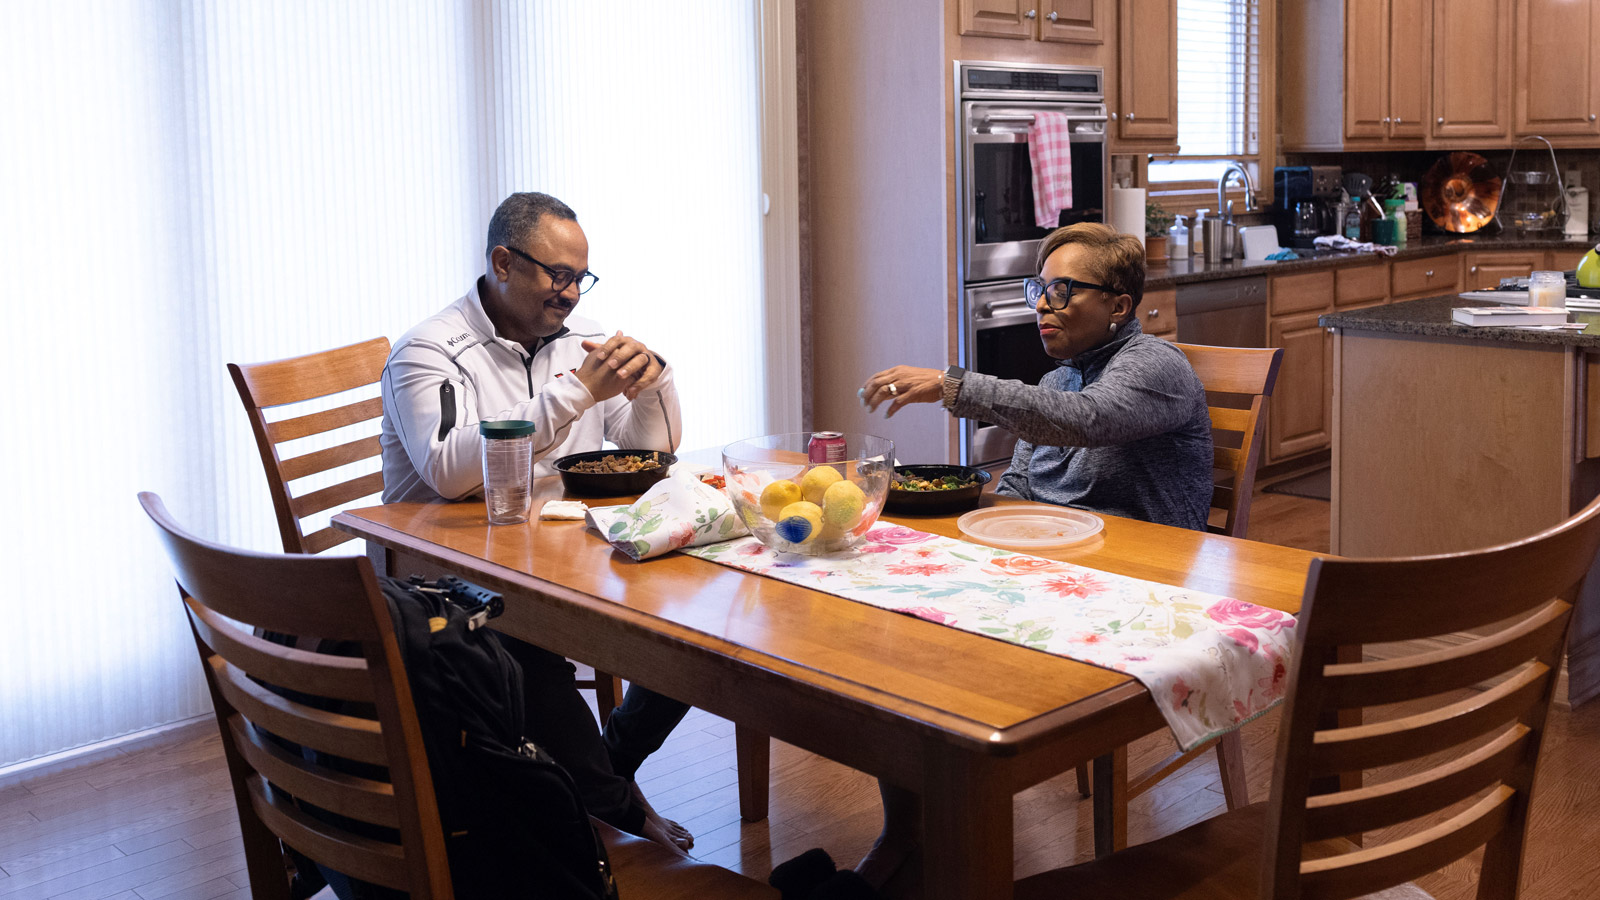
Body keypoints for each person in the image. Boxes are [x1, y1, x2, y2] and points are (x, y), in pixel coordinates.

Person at [852, 221, 1214, 888]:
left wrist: (953, 385)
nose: (1043, 305)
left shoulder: (1154, 366)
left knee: (946, 660)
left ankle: (960, 846)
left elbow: (1090, 420)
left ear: (1119, 306)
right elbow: (1021, 485)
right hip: (1055, 576)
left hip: (1142, 588)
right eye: (1039, 289)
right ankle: (911, 832)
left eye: (1064, 290)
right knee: (896, 633)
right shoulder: (1059, 380)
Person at [379, 191, 693, 853]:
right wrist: (577, 390)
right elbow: (447, 469)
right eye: (559, 275)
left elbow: (650, 453)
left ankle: (599, 774)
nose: (573, 294)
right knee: (528, 653)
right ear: (503, 262)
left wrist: (657, 381)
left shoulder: (577, 341)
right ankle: (611, 804)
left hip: (558, 555)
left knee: (695, 629)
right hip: (449, 589)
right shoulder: (428, 351)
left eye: (582, 277)